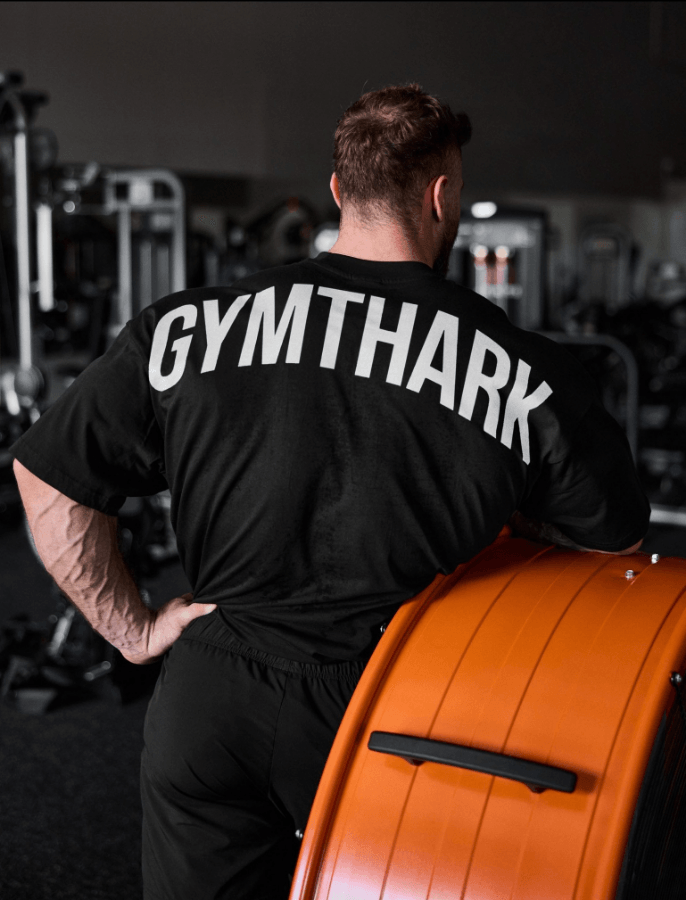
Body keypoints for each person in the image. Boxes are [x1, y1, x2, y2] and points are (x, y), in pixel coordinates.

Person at [12, 83, 649, 899]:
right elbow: (613, 542)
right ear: (441, 197)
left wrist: (131, 631)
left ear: (341, 190)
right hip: (402, 707)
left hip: (214, 693)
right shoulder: (526, 369)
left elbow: (47, 476)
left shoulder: (183, 325)